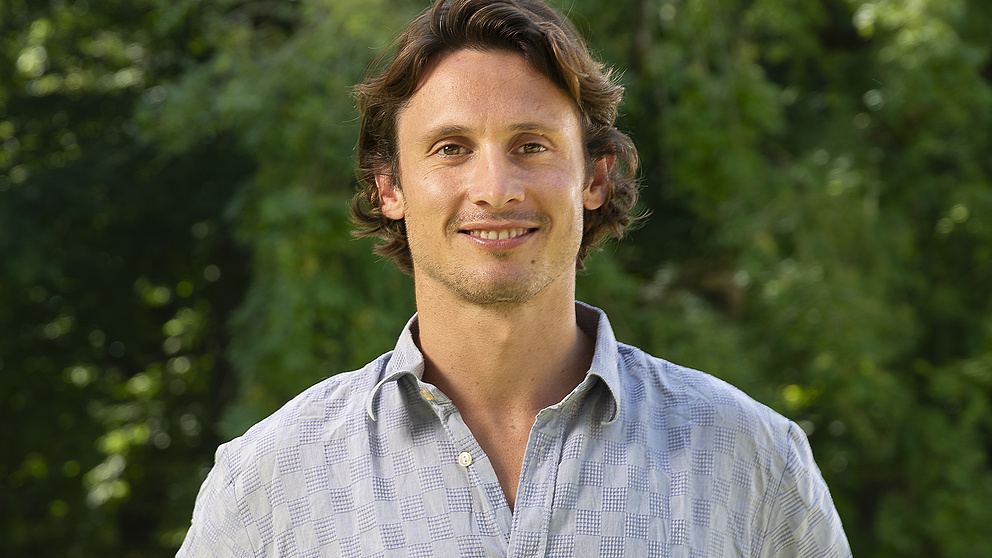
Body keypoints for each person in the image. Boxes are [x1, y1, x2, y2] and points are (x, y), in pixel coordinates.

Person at [178, 0, 851, 555]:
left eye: (531, 146)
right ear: (389, 186)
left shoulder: (752, 461)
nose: (495, 189)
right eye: (451, 149)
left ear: (594, 177)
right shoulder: (269, 483)